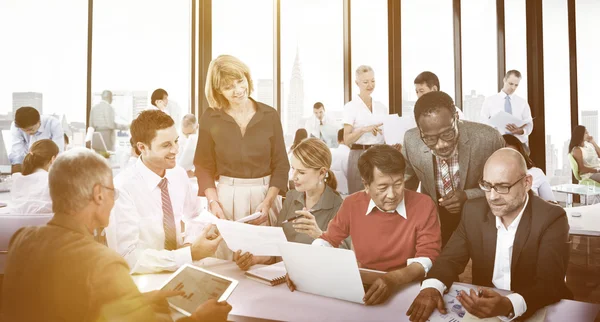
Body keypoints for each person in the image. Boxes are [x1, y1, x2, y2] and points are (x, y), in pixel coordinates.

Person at [1, 148, 232, 322]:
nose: (115, 200)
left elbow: (66, 305)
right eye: (113, 192)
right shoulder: (103, 263)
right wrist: (198, 320)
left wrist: (137, 299)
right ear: (99, 195)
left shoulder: (22, 239)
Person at [407, 148, 572, 322]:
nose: (492, 196)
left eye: (502, 187)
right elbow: (450, 259)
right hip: (485, 310)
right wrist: (431, 287)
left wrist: (508, 305)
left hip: (538, 305)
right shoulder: (473, 211)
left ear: (527, 182)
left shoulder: (552, 217)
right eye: (487, 185)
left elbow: (549, 283)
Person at [287, 145, 441, 306]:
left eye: (398, 184)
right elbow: (327, 240)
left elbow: (428, 256)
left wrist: (393, 279)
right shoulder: (352, 203)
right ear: (366, 185)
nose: (392, 194)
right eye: (382, 187)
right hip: (365, 286)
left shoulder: (424, 204)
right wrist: (302, 267)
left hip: (409, 287)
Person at [195, 55, 289, 259]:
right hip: (226, 198)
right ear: (218, 90)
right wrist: (213, 202)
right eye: (229, 87)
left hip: (266, 197)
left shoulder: (269, 115)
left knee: (267, 261)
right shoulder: (210, 117)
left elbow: (281, 165)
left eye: (240, 82)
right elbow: (203, 165)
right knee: (229, 261)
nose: (238, 90)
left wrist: (269, 202)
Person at [107, 110, 223, 274]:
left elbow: (195, 215)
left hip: (181, 270)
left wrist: (190, 244)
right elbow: (127, 256)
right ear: (142, 148)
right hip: (142, 279)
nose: (176, 150)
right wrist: (188, 254)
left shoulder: (178, 174)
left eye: (176, 141)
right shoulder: (122, 188)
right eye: (166, 145)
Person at [402, 91, 504, 246]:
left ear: (456, 118)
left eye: (447, 134)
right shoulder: (411, 140)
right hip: (436, 220)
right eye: (430, 138)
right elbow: (405, 186)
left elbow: (505, 187)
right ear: (419, 129)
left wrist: (466, 196)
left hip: (482, 218)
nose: (441, 144)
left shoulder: (488, 138)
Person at [234, 138, 350, 271]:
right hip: (283, 276)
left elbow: (344, 261)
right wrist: (256, 259)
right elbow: (278, 249)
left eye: (301, 172)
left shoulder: (340, 207)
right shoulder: (291, 197)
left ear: (322, 172)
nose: (293, 176)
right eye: (293, 169)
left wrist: (319, 235)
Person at [343, 65, 388, 194]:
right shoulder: (350, 107)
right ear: (357, 83)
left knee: (380, 195)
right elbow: (346, 139)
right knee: (359, 197)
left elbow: (386, 135)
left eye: (373, 81)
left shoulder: (381, 107)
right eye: (365, 82)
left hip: (379, 155)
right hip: (359, 155)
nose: (370, 85)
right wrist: (363, 130)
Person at [480, 70, 533, 149]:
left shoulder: (522, 102)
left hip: (519, 144)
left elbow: (529, 124)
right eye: (511, 84)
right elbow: (483, 122)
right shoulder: (490, 101)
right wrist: (495, 129)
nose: (513, 88)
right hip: (497, 143)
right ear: (504, 80)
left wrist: (521, 131)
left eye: (516, 85)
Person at [10, 139, 59, 214]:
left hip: (14, 224)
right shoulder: (53, 179)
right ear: (53, 159)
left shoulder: (17, 178)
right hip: (45, 223)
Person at [9, 106, 64, 172]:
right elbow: (17, 151)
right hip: (27, 162)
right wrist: (17, 173)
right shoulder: (16, 126)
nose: (28, 133)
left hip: (48, 163)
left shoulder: (54, 124)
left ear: (39, 121)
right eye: (24, 130)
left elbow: (58, 151)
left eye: (31, 129)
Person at [503, 134, 555, 202]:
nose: (510, 159)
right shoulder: (492, 178)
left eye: (514, 154)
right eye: (505, 155)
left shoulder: (536, 173)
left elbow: (552, 204)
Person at [330, 128, 350, 195]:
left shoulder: (330, 153)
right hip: (348, 194)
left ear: (337, 140)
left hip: (332, 194)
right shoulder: (350, 155)